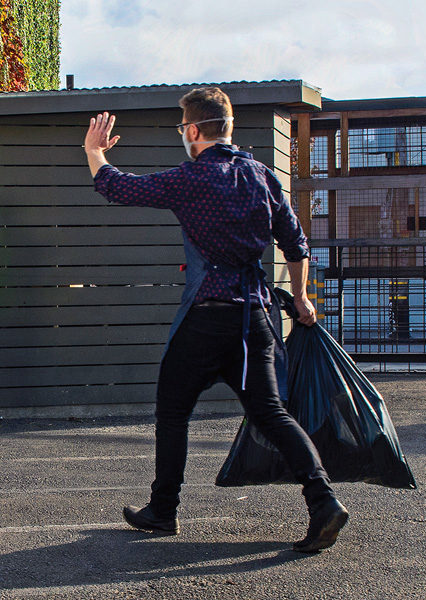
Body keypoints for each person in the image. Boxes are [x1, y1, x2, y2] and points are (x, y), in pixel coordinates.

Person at [82, 87, 350, 552]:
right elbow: (296, 244)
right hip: (255, 319)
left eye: (182, 129)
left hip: (207, 318)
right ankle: (323, 501)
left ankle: (163, 509)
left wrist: (93, 151)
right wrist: (302, 299)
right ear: (228, 127)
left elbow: (117, 186)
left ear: (192, 130)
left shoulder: (190, 178)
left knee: (173, 411)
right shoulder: (263, 176)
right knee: (272, 413)